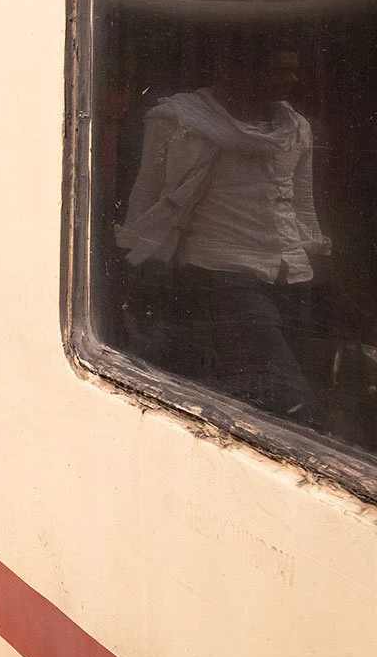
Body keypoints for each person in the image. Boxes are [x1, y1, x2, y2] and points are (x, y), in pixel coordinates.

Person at [118, 39, 329, 420]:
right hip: (220, 274)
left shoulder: (295, 127)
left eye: (293, 68)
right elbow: (147, 194)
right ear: (241, 72)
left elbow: (301, 203)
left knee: (279, 391)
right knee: (289, 399)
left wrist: (308, 257)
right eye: (280, 69)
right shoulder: (183, 121)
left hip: (290, 278)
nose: (293, 78)